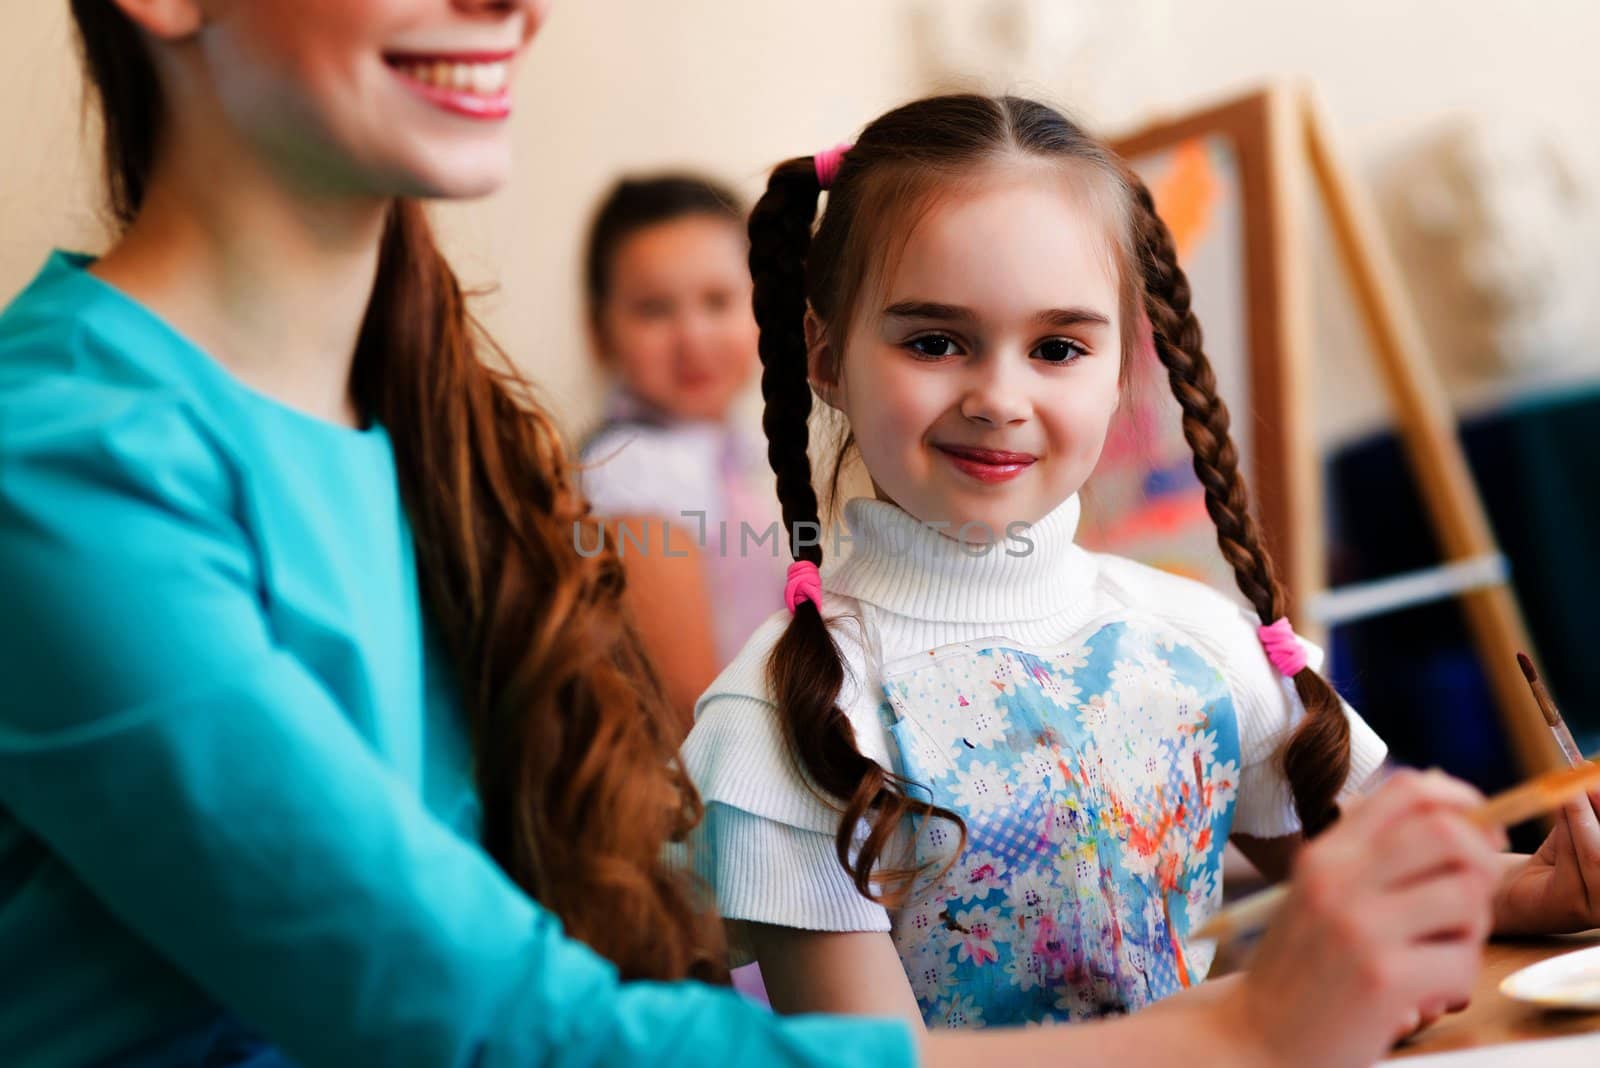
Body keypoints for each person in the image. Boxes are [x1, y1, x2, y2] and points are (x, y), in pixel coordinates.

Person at [0, 5, 1513, 1066]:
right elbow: (496, 1030)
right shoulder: (61, 464)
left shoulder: (439, 433)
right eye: (936, 338)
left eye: (1062, 345)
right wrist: (1244, 1034)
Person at [679, 93, 1600, 1030]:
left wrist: (1538, 886)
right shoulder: (783, 714)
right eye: (934, 341)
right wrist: (1271, 1013)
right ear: (826, 358)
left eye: (1057, 347)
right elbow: (876, 1065)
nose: (1000, 396)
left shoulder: (1197, 641)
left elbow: (1391, 880)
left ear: (1123, 369)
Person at [578, 174, 786, 727]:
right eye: (653, 310)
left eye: (718, 301)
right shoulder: (637, 470)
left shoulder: (724, 453)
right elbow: (685, 699)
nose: (692, 338)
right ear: (599, 332)